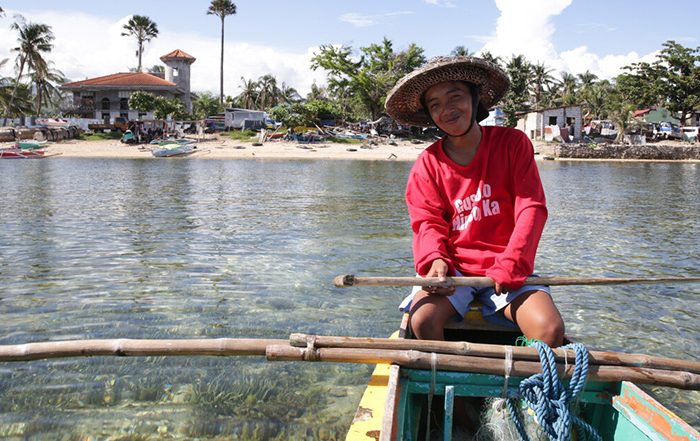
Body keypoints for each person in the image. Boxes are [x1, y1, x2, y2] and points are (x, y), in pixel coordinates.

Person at [385, 56, 564, 347]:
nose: (447, 110)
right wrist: (436, 260)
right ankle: (445, 382)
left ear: (474, 98)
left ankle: (520, 391)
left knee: (549, 330)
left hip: (508, 268)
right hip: (455, 272)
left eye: (455, 97)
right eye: (435, 105)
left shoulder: (512, 144)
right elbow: (427, 222)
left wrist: (512, 263)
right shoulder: (427, 164)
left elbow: (531, 209)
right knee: (422, 320)